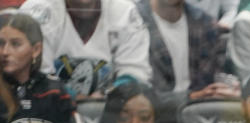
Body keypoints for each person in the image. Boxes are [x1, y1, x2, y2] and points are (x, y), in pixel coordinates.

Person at [0, 12, 92, 123]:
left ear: (36, 50)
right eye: (1, 43)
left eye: (15, 44)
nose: (5, 52)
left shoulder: (55, 90)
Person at [19, 0, 152, 100]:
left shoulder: (125, 11)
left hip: (113, 113)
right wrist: (69, 95)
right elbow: (34, 76)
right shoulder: (37, 11)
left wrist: (110, 94)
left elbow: (135, 72)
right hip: (52, 110)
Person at [136, 0, 236, 101]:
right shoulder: (134, 22)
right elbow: (142, 94)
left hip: (198, 109)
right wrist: (190, 97)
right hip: (152, 111)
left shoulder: (205, 24)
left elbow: (208, 84)